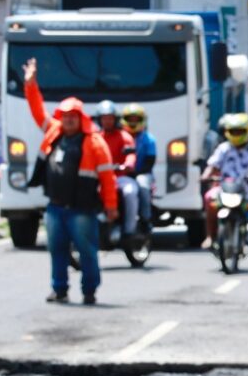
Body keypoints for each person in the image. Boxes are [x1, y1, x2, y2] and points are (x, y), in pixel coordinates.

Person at [22, 57, 119, 305]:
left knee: (87, 251)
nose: (68, 120)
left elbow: (108, 177)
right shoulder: (54, 132)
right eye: (64, 116)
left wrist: (111, 205)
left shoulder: (95, 142)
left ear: (80, 117)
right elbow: (36, 111)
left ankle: (89, 291)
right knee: (57, 250)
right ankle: (60, 289)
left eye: (72, 116)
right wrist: (30, 85)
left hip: (82, 209)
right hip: (56, 207)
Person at [201, 112, 248, 270]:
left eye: (240, 131)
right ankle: (210, 236)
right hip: (225, 189)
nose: (237, 135)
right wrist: (206, 175)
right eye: (234, 131)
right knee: (210, 199)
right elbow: (212, 165)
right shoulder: (223, 149)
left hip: (247, 192)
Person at [94, 99, 137, 241]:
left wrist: (127, 164)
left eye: (110, 119)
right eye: (104, 119)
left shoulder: (124, 137)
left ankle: (129, 230)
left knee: (130, 193)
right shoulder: (95, 138)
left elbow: (130, 154)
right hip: (100, 178)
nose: (107, 122)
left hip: (120, 177)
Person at [120, 102, 157, 232]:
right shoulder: (120, 137)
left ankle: (145, 218)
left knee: (142, 186)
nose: (133, 122)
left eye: (136, 119)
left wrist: (134, 172)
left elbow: (149, 162)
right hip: (122, 173)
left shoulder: (149, 139)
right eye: (130, 119)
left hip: (142, 173)